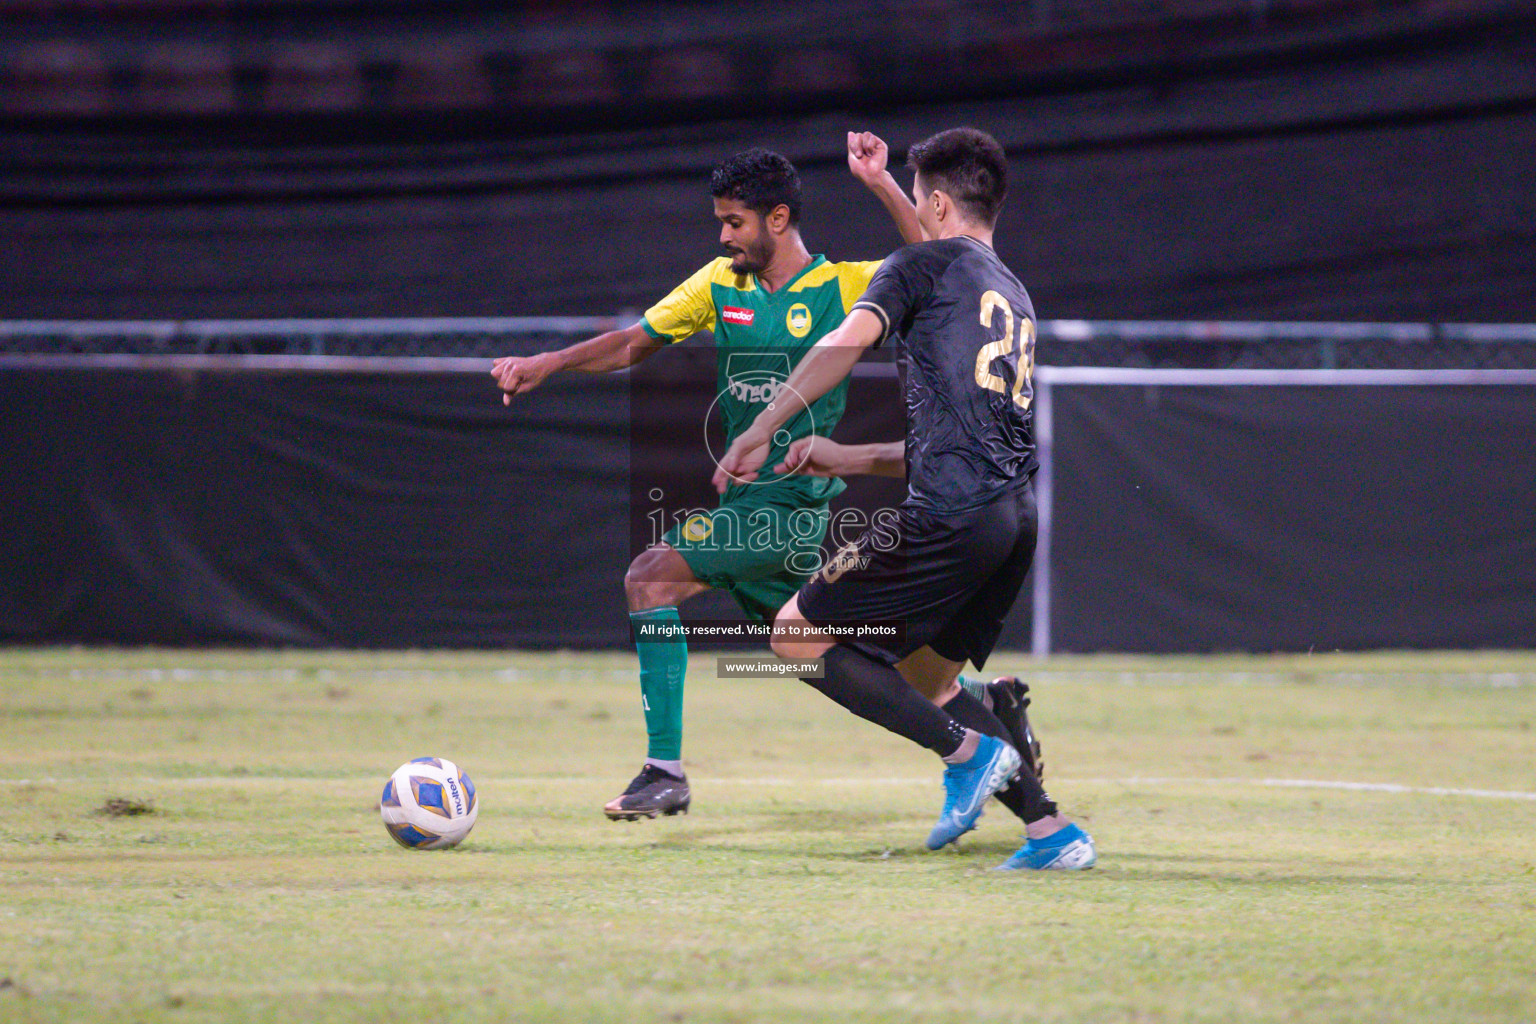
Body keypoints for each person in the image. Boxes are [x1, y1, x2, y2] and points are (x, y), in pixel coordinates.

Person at [493, 138, 1044, 823]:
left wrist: (880, 186)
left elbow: (939, 261)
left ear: (777, 219)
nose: (723, 236)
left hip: (794, 508)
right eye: (721, 221)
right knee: (868, 667)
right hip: (752, 503)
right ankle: (999, 736)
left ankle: (664, 771)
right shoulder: (719, 285)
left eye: (734, 222)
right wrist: (549, 362)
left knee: (649, 578)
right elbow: (636, 340)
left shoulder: (842, 282)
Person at [715, 127, 1094, 870]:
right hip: (1012, 522)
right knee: (929, 678)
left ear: (940, 204)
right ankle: (1052, 833)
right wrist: (846, 454)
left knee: (794, 636)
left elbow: (844, 345)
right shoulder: (1009, 291)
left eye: (919, 199)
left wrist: (763, 424)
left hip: (950, 517)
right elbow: (961, 438)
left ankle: (964, 755)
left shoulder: (917, 265)